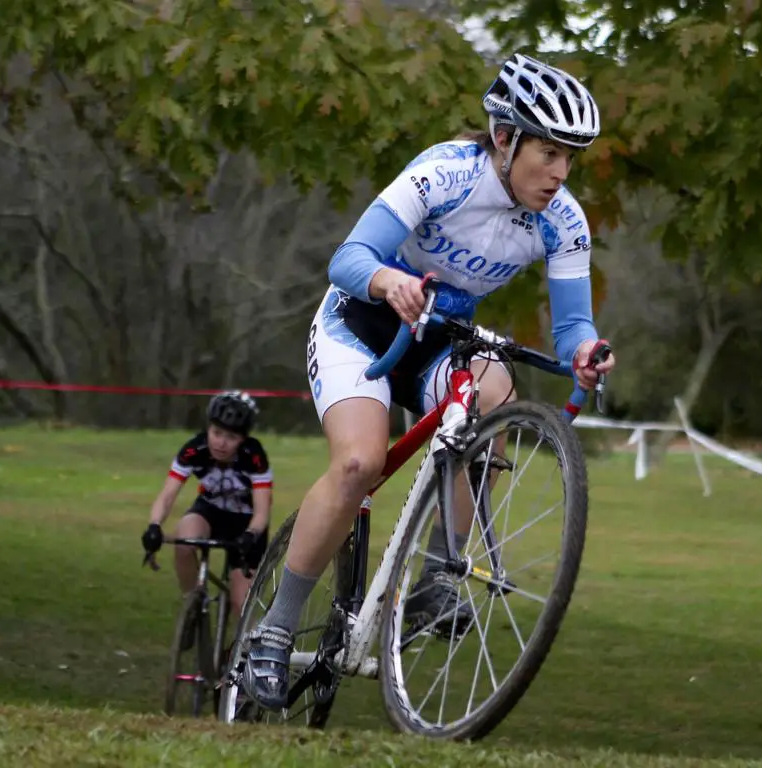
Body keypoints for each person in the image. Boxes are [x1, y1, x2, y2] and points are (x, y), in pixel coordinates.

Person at [241, 51, 616, 709]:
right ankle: (272, 632)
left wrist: (585, 350)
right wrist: (390, 279)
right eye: (548, 153)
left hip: (440, 339)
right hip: (361, 325)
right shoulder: (445, 173)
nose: (559, 173)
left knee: (494, 390)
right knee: (358, 463)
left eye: (570, 158)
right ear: (504, 138)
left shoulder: (562, 220)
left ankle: (437, 575)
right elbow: (348, 258)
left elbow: (572, 324)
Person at [141, 390, 273, 649]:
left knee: (242, 602)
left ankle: (245, 659)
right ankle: (192, 605)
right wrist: (154, 525)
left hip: (246, 524)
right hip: (209, 511)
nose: (221, 443)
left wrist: (251, 534)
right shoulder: (194, 450)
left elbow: (262, 511)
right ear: (208, 428)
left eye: (231, 437)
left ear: (243, 439)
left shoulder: (254, 457)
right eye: (216, 432)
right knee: (184, 540)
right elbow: (167, 496)